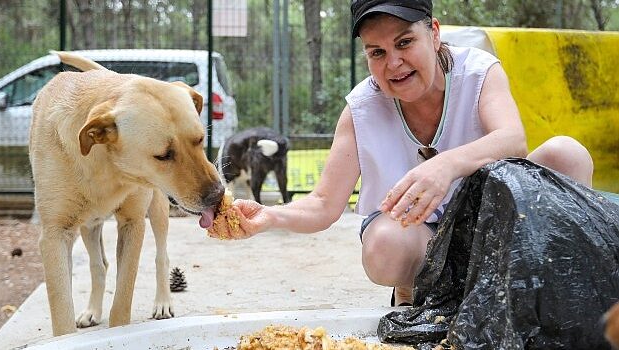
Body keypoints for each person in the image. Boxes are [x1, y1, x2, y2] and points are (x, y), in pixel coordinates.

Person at [207, 0, 594, 307]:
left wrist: (445, 166)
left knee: (567, 155)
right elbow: (325, 203)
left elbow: (512, 140)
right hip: (422, 244)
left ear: (435, 33)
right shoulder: (361, 108)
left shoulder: (478, 72)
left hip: (495, 227)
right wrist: (269, 216)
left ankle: (557, 291)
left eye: (404, 42)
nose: (393, 63)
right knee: (384, 246)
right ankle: (416, 296)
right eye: (377, 52)